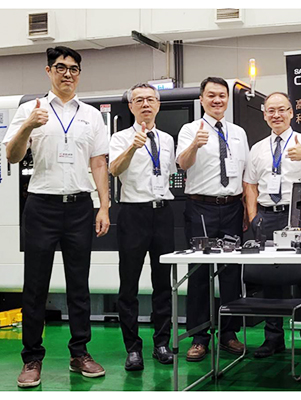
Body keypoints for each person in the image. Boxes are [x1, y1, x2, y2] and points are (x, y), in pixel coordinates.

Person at [3, 46, 109, 388]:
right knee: (35, 286)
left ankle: (80, 353)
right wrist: (27, 126)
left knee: (79, 284)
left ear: (79, 74)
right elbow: (13, 155)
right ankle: (32, 358)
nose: (67, 74)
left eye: (73, 69)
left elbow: (98, 163)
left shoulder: (91, 115)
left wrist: (104, 206)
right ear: (49, 71)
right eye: (61, 67)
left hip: (79, 207)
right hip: (41, 206)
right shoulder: (30, 110)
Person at [243, 92, 301, 361]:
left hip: (299, 217)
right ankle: (273, 338)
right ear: (264, 114)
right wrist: (253, 216)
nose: (276, 115)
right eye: (271, 111)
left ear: (291, 112)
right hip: (267, 216)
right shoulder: (257, 148)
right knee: (270, 280)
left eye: (282, 110)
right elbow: (250, 184)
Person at [176, 77, 248, 362]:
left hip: (232, 208)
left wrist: (246, 209)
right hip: (201, 208)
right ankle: (199, 336)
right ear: (202, 99)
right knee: (200, 273)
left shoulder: (238, 133)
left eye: (221, 95)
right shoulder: (189, 130)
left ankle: (229, 333)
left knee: (231, 273)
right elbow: (182, 164)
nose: (217, 100)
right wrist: (194, 145)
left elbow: (246, 173)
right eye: (211, 95)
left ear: (227, 99)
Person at [109, 83, 176, 371]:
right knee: (129, 284)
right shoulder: (120, 138)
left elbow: (169, 172)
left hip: (162, 213)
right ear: (131, 106)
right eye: (139, 100)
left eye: (150, 99)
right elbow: (114, 169)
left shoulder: (167, 139)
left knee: (163, 283)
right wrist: (132, 148)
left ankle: (161, 343)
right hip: (133, 213)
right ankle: (133, 349)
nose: (145, 104)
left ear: (158, 104)